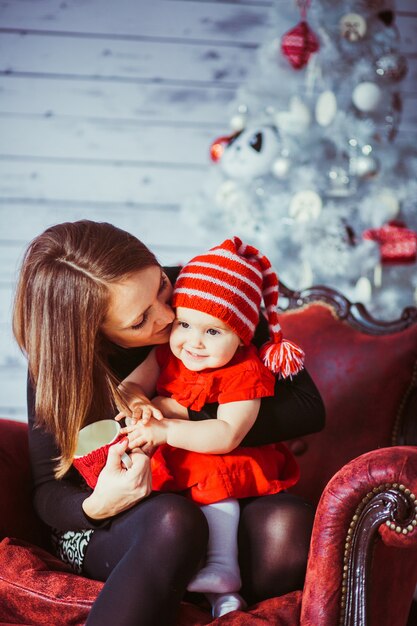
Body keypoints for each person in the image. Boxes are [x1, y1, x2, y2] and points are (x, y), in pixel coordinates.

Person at [12, 220, 325, 626]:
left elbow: (307, 407)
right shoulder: (60, 365)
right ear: (93, 335)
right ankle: (186, 575)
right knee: (175, 521)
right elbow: (47, 490)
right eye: (140, 321)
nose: (168, 315)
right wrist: (97, 506)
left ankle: (204, 588)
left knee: (285, 530)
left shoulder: (209, 291)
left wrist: (179, 413)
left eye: (161, 285)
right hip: (113, 520)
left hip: (219, 485)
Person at [118, 236, 305, 617]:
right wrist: (139, 403)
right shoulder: (165, 352)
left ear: (241, 338)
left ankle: (222, 567)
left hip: (220, 457)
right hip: (176, 458)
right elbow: (129, 386)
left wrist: (167, 428)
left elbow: (227, 434)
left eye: (213, 332)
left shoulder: (244, 372)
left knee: (215, 489)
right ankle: (223, 599)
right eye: (184, 323)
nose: (193, 342)